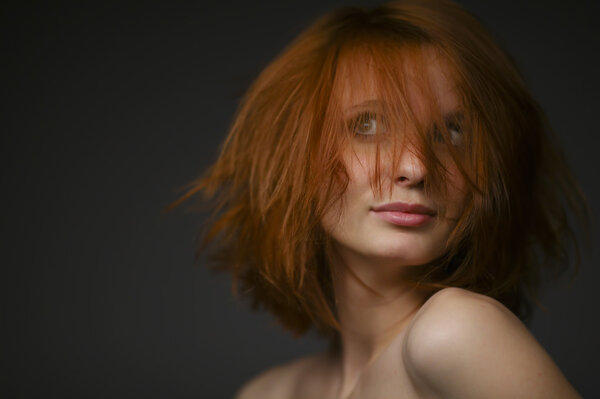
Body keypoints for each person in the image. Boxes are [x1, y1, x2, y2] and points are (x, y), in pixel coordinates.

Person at [175, 0, 588, 397]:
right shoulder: (267, 393)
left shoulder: (457, 332)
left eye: (453, 132)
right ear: (294, 156)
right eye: (367, 125)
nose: (416, 166)